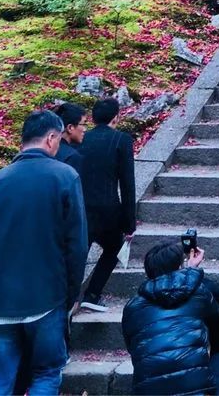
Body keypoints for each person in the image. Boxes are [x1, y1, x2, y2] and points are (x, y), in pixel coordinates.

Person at [0, 110, 88, 396]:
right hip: (46, 295)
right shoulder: (64, 176)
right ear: (51, 138)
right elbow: (77, 245)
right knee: (46, 372)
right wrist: (70, 294)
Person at [122, 240, 219, 396]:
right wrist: (191, 272)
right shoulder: (198, 293)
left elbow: (133, 348)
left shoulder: (132, 307)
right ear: (179, 268)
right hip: (196, 391)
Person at [78, 98, 136, 312]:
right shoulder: (121, 140)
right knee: (114, 247)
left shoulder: (81, 138)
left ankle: (70, 298)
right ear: (116, 117)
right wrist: (130, 222)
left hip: (80, 208)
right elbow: (127, 184)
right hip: (108, 209)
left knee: (79, 253)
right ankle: (92, 294)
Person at [55, 102, 87, 173]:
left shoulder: (47, 150)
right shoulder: (72, 156)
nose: (85, 129)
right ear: (70, 127)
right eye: (83, 124)